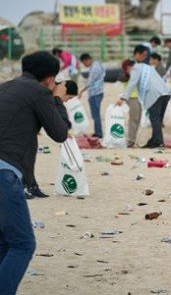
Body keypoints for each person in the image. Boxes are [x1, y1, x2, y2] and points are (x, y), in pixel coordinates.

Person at [0, 51, 70, 294]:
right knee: (22, 244)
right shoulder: (39, 92)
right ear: (50, 79)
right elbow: (60, 133)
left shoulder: (5, 87)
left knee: (5, 243)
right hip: (4, 174)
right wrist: (58, 100)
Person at [116, 47, 171, 148]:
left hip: (156, 95)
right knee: (158, 119)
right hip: (165, 93)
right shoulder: (147, 67)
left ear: (129, 67)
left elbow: (132, 83)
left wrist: (123, 98)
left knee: (155, 118)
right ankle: (155, 140)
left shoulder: (135, 69)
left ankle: (158, 142)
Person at [78, 53, 105, 139]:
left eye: (84, 63)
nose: (85, 65)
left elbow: (90, 82)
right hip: (95, 92)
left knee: (96, 114)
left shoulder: (95, 67)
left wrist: (81, 91)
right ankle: (97, 132)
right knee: (95, 114)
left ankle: (99, 134)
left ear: (87, 60)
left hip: (96, 93)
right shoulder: (96, 65)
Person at [120, 59, 142, 148]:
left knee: (137, 119)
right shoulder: (127, 77)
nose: (132, 69)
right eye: (130, 67)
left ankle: (133, 140)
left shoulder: (133, 75)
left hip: (138, 98)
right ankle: (130, 140)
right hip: (132, 98)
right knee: (133, 120)